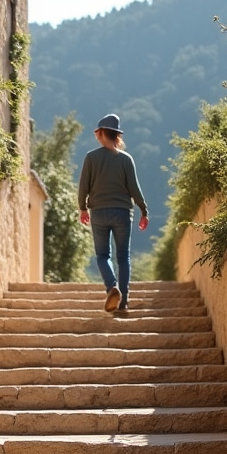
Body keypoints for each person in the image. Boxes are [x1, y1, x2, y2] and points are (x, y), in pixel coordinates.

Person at [77, 113, 149, 313]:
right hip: (122, 213)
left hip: (99, 213)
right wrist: (144, 210)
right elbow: (134, 188)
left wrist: (82, 208)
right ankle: (123, 302)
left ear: (101, 133)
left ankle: (111, 287)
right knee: (123, 257)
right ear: (117, 135)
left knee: (102, 255)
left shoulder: (91, 157)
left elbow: (83, 186)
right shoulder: (126, 159)